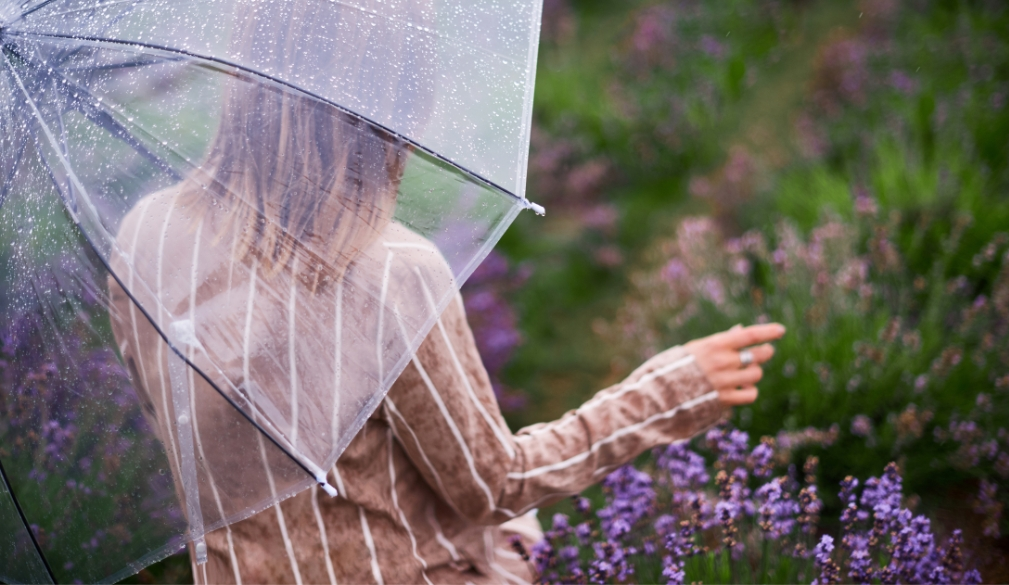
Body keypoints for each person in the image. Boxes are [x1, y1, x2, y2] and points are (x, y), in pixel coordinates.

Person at [107, 1, 785, 583]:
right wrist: (670, 389)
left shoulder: (143, 238)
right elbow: (492, 483)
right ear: (386, 102)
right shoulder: (390, 273)